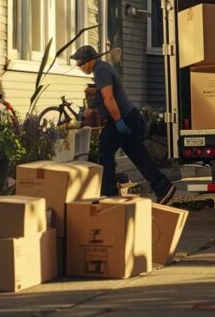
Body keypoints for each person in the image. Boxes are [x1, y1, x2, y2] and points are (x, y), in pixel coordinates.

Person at [71, 45, 176, 204]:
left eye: (80, 63)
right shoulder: (102, 69)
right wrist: (85, 114)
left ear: (90, 60)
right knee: (138, 155)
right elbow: (99, 100)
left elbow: (109, 98)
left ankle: (109, 194)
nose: (78, 66)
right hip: (128, 116)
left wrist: (118, 121)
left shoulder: (101, 70)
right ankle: (163, 187)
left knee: (105, 152)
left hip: (121, 118)